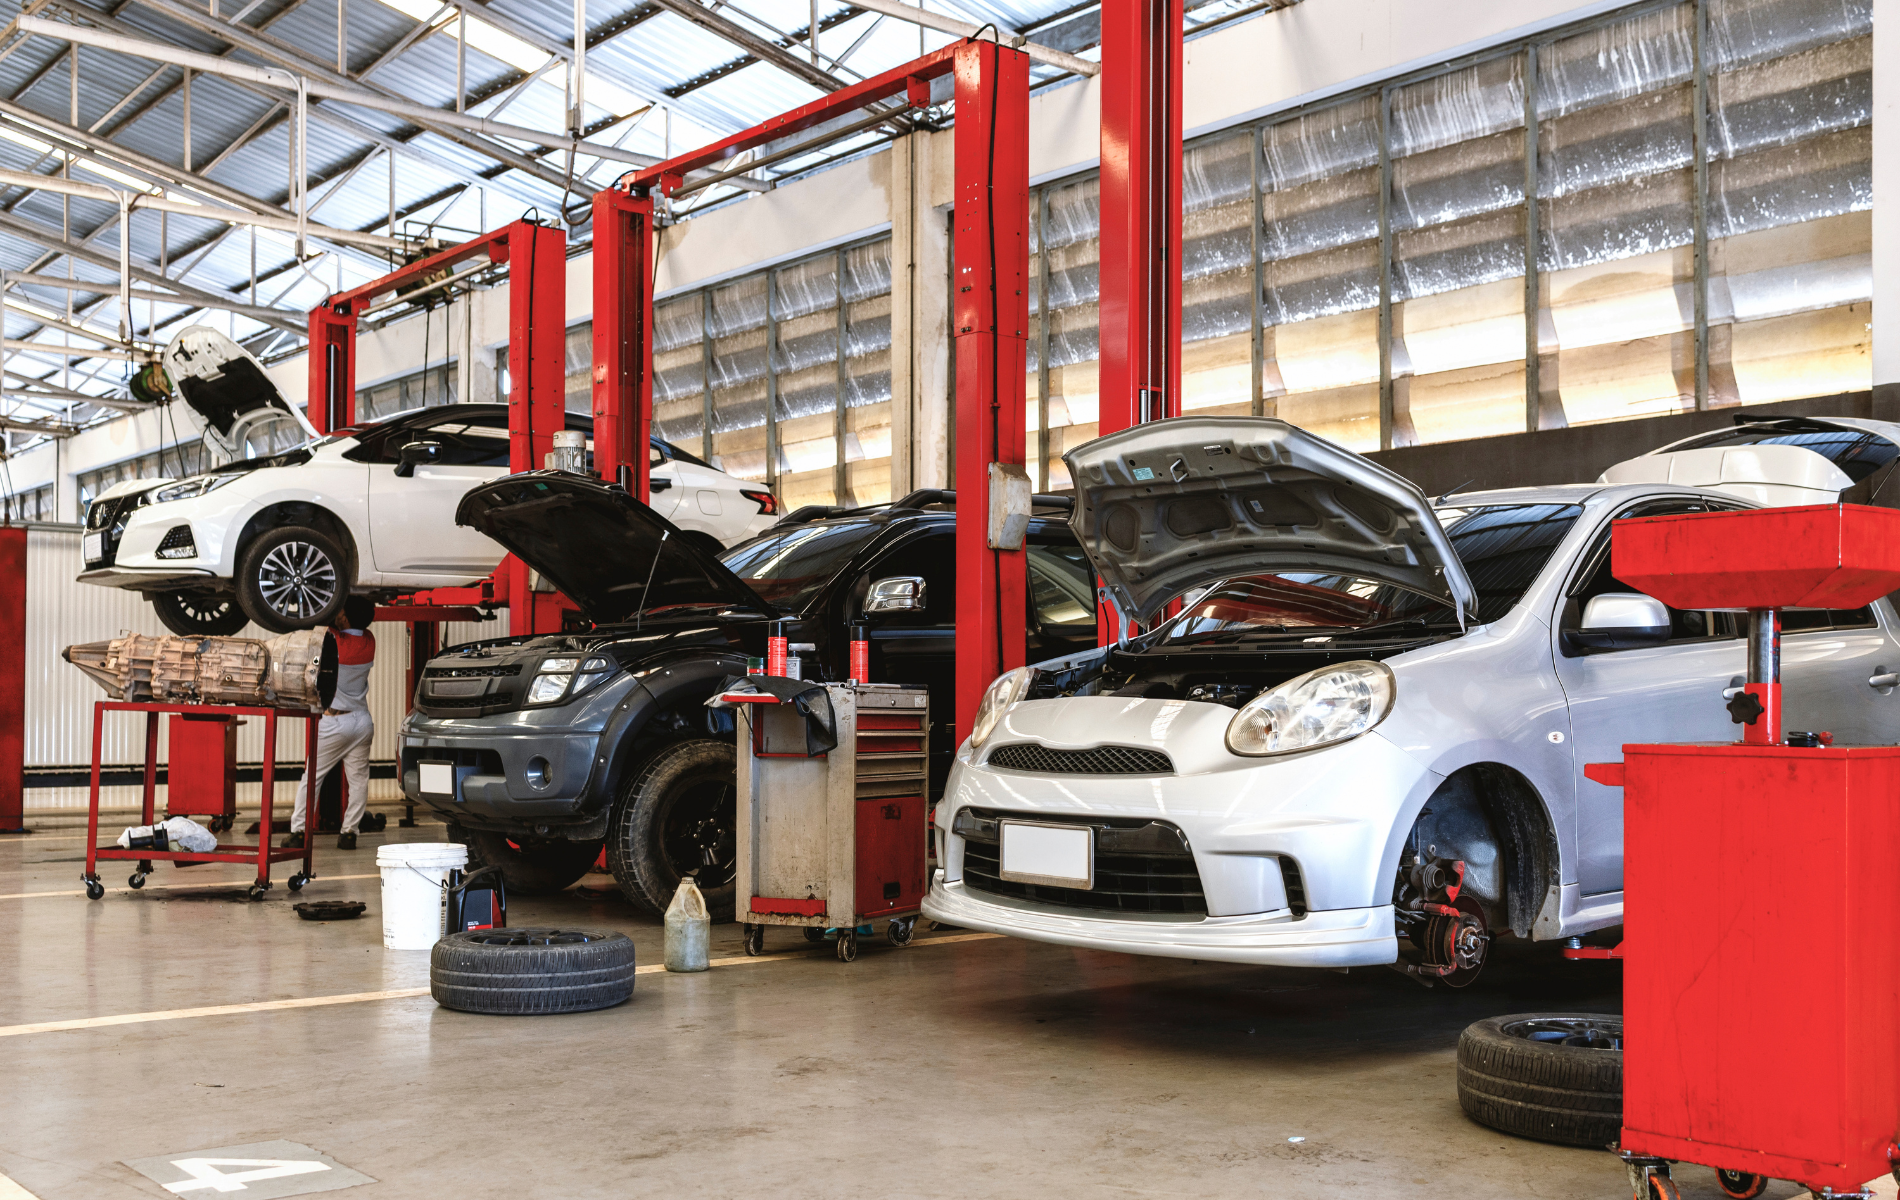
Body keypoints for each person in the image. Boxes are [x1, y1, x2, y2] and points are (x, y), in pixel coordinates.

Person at [283, 596, 377, 850]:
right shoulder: (369, 640)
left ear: (344, 618)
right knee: (358, 781)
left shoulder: (334, 640)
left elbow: (319, 620)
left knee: (312, 777)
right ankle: (349, 834)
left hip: (335, 722)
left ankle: (299, 831)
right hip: (362, 721)